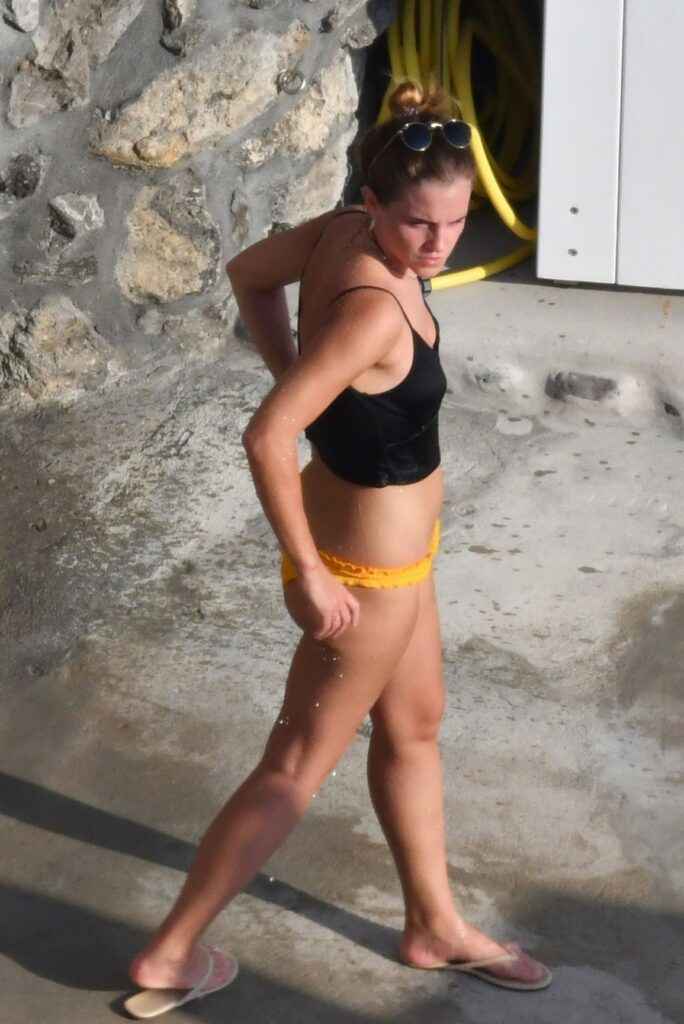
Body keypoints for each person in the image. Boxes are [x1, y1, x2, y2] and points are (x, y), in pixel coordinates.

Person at [123, 78, 552, 1018]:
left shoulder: (338, 232)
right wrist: (313, 575)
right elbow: (267, 436)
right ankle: (170, 951)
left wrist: (296, 370)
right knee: (294, 768)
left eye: (455, 222)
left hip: (396, 556)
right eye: (418, 225)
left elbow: (248, 272)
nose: (438, 245)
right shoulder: (373, 311)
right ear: (373, 204)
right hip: (362, 575)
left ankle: (433, 924)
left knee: (415, 727)